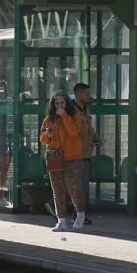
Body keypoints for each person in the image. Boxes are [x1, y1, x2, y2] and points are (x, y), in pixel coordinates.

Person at [39, 90, 86, 231]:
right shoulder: (49, 119)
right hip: (55, 156)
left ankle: (80, 213)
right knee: (58, 189)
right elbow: (43, 139)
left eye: (62, 103)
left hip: (73, 157)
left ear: (67, 103)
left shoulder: (75, 116)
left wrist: (64, 116)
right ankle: (61, 221)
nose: (59, 106)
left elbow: (73, 132)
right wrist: (47, 135)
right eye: (57, 103)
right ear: (53, 104)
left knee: (73, 187)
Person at [72, 82, 102, 225]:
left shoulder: (85, 110)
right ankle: (55, 205)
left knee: (81, 186)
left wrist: (97, 139)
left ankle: (78, 214)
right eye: (86, 94)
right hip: (76, 154)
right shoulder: (72, 111)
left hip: (86, 153)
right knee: (78, 185)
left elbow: (89, 128)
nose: (89, 97)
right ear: (78, 95)